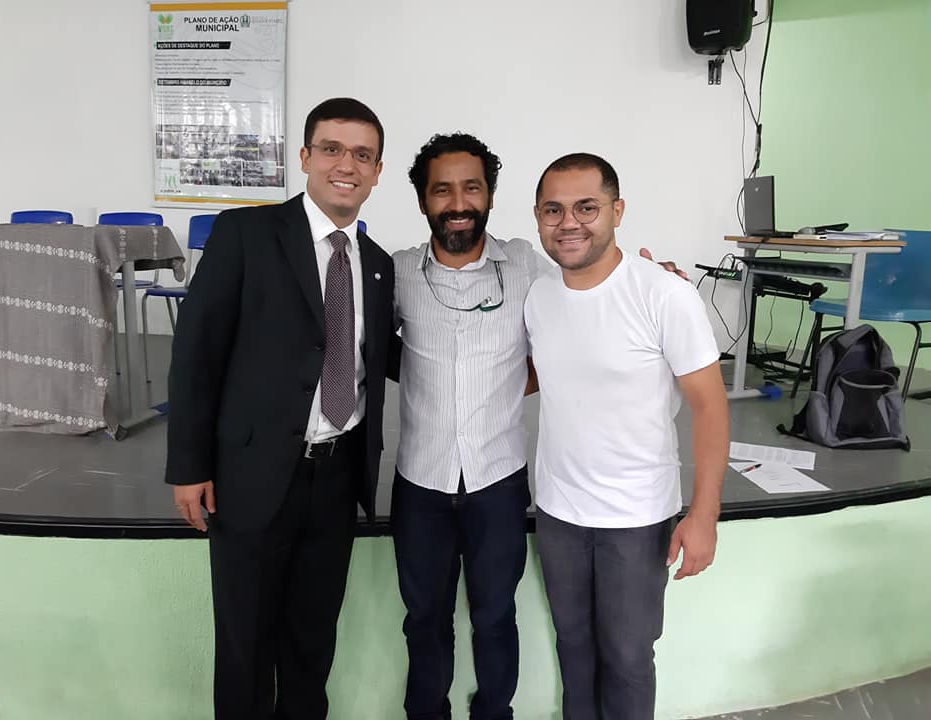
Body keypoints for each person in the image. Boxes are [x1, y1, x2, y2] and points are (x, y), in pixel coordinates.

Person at [391, 134, 686, 720]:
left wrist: (657, 279)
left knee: (495, 616)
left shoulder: (527, 265)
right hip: (419, 483)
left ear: (490, 196)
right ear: (423, 200)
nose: (458, 202)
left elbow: (591, 286)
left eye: (472, 188)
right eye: (442, 190)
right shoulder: (396, 273)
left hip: (498, 481)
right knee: (423, 619)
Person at [165, 97, 395, 720]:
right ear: (305, 157)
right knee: (245, 646)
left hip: (338, 476)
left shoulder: (376, 266)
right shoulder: (246, 235)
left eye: (362, 155)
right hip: (253, 476)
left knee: (311, 644)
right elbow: (196, 353)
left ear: (377, 171)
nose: (346, 165)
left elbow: (383, 355)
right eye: (332, 149)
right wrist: (188, 465)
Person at [524, 153, 729, 720]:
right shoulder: (538, 297)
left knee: (627, 659)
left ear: (617, 211)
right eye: (553, 210)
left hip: (636, 519)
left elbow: (710, 407)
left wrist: (704, 514)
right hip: (559, 513)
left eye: (586, 207)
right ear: (538, 217)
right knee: (574, 652)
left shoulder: (664, 294)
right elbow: (539, 375)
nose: (569, 222)